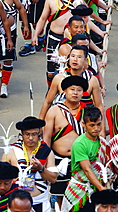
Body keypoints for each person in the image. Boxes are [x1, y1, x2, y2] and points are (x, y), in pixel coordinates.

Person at [43, 75, 88, 207]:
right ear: (65, 91)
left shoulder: (87, 111)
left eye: (79, 90)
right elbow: (47, 138)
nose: (75, 93)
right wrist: (46, 161)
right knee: (60, 196)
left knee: (81, 194)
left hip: (81, 160)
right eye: (72, 89)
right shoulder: (54, 111)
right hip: (59, 160)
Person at [32, 0, 78, 87]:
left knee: (72, 67)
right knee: (51, 70)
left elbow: (86, 18)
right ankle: (51, 90)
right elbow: (43, 18)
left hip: (72, 39)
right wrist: (36, 35)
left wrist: (80, 4)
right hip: (55, 38)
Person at [4, 116, 58, 212]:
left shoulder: (46, 152)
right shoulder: (12, 150)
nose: (31, 138)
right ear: (21, 134)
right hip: (17, 204)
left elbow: (53, 179)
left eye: (34, 134)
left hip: (40, 202)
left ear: (39, 133)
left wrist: (41, 168)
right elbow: (3, 176)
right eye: (27, 134)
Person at [62, 106, 109, 212]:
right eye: (92, 125)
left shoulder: (102, 142)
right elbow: (87, 170)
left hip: (96, 188)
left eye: (99, 124)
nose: (96, 128)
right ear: (84, 124)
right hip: (81, 191)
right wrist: (102, 190)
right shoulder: (80, 144)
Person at [39, 45, 104, 121]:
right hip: (61, 121)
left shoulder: (92, 80)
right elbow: (48, 102)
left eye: (79, 57)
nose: (75, 59)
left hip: (83, 121)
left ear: (85, 60)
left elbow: (99, 106)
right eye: (73, 56)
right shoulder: (59, 78)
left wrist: (102, 129)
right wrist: (40, 122)